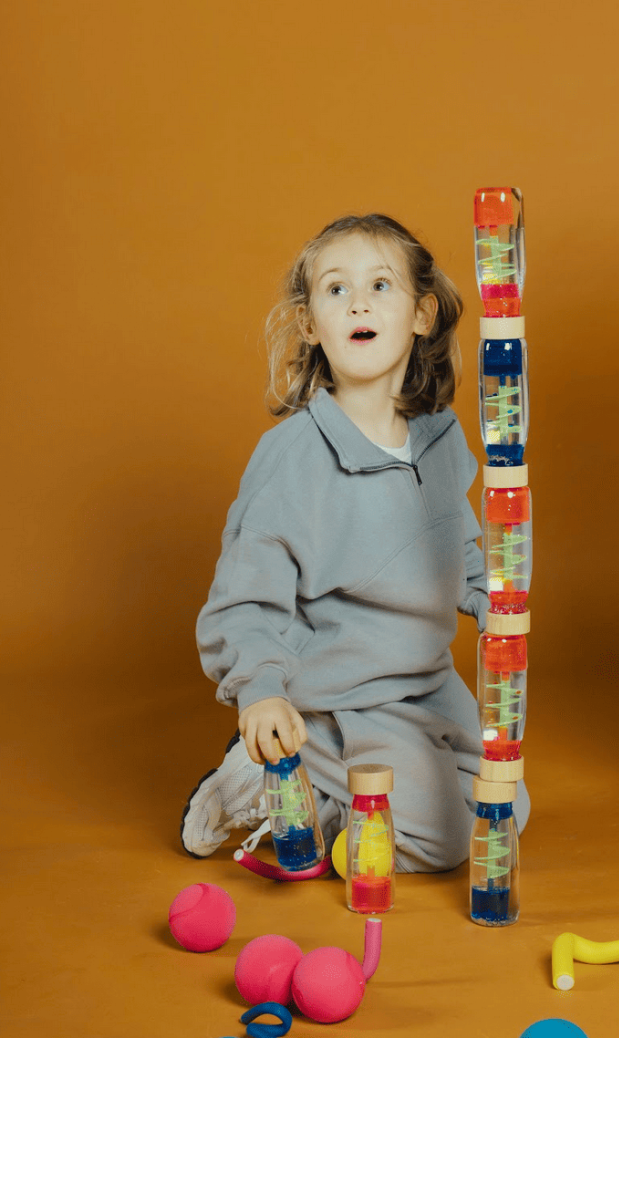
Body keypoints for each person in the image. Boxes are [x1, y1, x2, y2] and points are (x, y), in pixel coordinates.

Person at [181, 213, 529, 870]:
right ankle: (273, 776)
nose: (359, 303)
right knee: (450, 838)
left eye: (380, 286)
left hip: (427, 684)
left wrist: (492, 597)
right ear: (311, 324)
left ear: (421, 314)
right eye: (337, 289)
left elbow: (457, 545)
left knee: (504, 807)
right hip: (343, 697)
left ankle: (307, 793)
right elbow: (243, 601)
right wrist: (261, 689)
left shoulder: (440, 436)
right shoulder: (293, 458)